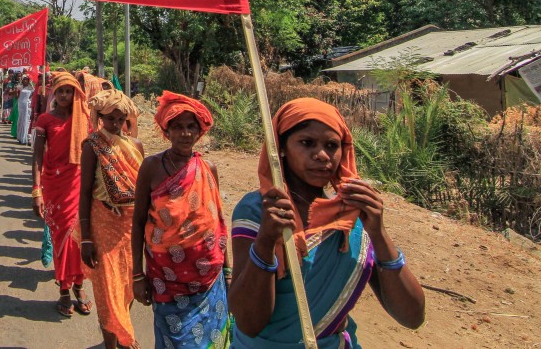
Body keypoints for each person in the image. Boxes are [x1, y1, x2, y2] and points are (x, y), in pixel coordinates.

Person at [228, 98, 425, 348]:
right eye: (307, 143)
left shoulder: (351, 221)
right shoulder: (258, 211)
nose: (322, 156)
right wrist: (267, 240)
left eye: (332, 145)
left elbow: (412, 317)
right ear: (282, 148)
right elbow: (249, 322)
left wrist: (379, 232)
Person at [131, 91, 229, 348]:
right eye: (178, 127)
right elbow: (138, 222)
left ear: (199, 131)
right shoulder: (151, 167)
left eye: (190, 127)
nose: (185, 133)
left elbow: (219, 222)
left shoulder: (209, 169)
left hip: (210, 278)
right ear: (166, 131)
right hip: (167, 279)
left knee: (213, 339)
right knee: (174, 341)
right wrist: (137, 276)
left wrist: (228, 271)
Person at [78, 90, 143, 349]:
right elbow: (84, 192)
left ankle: (122, 330)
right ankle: (111, 344)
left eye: (121, 119)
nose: (116, 125)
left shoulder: (135, 146)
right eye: (110, 119)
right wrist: (85, 237)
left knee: (128, 284)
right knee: (106, 289)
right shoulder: (92, 145)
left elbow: (144, 189)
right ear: (99, 117)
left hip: (130, 225)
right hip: (102, 222)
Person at [32, 71, 92, 318]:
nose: (65, 95)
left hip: (79, 184)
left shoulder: (85, 120)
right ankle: (64, 290)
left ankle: (79, 285)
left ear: (76, 93)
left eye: (69, 91)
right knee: (61, 238)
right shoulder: (45, 120)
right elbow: (36, 157)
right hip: (54, 186)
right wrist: (37, 191)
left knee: (80, 238)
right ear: (54, 94)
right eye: (61, 91)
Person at [15, 74, 34, 146]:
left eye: (26, 79)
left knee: (26, 121)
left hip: (27, 105)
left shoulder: (31, 88)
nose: (25, 80)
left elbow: (32, 96)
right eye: (24, 79)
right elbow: (16, 96)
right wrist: (16, 91)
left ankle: (25, 138)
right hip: (21, 105)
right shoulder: (19, 87)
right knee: (21, 120)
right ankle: (20, 137)